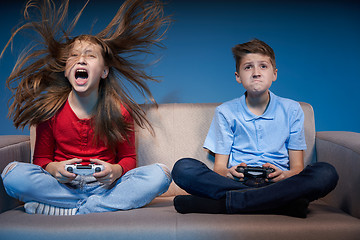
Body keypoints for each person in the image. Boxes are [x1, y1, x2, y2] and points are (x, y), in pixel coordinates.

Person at [0, 0, 171, 215]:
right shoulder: (50, 111)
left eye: (90, 56)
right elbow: (42, 160)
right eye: (74, 55)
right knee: (11, 173)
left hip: (107, 188)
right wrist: (54, 169)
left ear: (104, 71)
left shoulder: (120, 111)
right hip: (62, 187)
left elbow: (128, 159)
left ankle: (74, 210)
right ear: (65, 70)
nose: (81, 60)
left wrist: (115, 171)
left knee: (161, 174)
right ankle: (94, 208)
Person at [171, 39, 338, 218]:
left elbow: (297, 168)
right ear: (238, 76)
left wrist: (284, 175)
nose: (256, 73)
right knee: (183, 168)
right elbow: (219, 168)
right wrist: (228, 173)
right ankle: (280, 205)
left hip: (279, 183)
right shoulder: (225, 111)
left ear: (274, 74)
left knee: (326, 173)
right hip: (239, 182)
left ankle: (224, 205)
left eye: (263, 67)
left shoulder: (292, 109)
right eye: (248, 67)